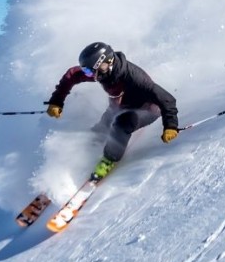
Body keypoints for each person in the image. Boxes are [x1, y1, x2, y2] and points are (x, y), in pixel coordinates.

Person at [45, 42, 181, 181]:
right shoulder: (101, 72)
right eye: (87, 71)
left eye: (90, 71)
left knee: (121, 124)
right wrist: (57, 101)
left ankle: (109, 160)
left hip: (147, 109)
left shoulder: (133, 77)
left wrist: (171, 126)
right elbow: (71, 75)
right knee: (103, 126)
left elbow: (166, 99)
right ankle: (92, 145)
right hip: (120, 105)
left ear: (107, 62)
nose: (89, 75)